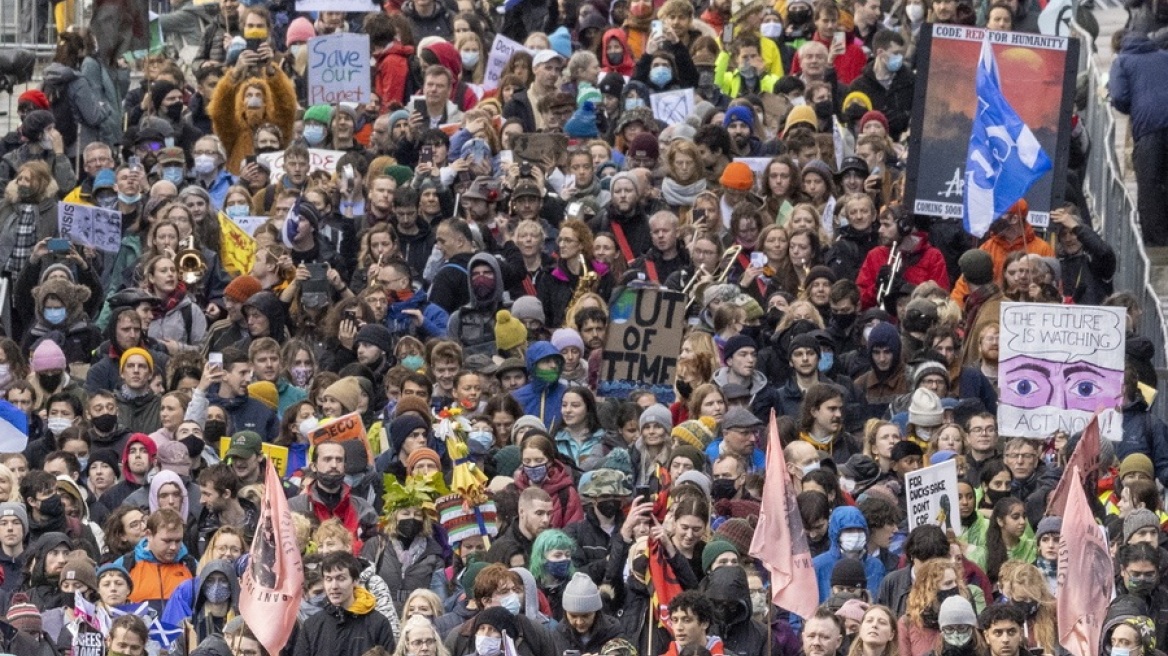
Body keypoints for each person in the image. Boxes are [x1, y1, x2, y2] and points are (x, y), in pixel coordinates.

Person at [293, 550, 397, 656]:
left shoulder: (378, 624)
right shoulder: (312, 626)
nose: (334, 586)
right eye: (328, 579)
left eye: (341, 578)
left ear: (355, 581)